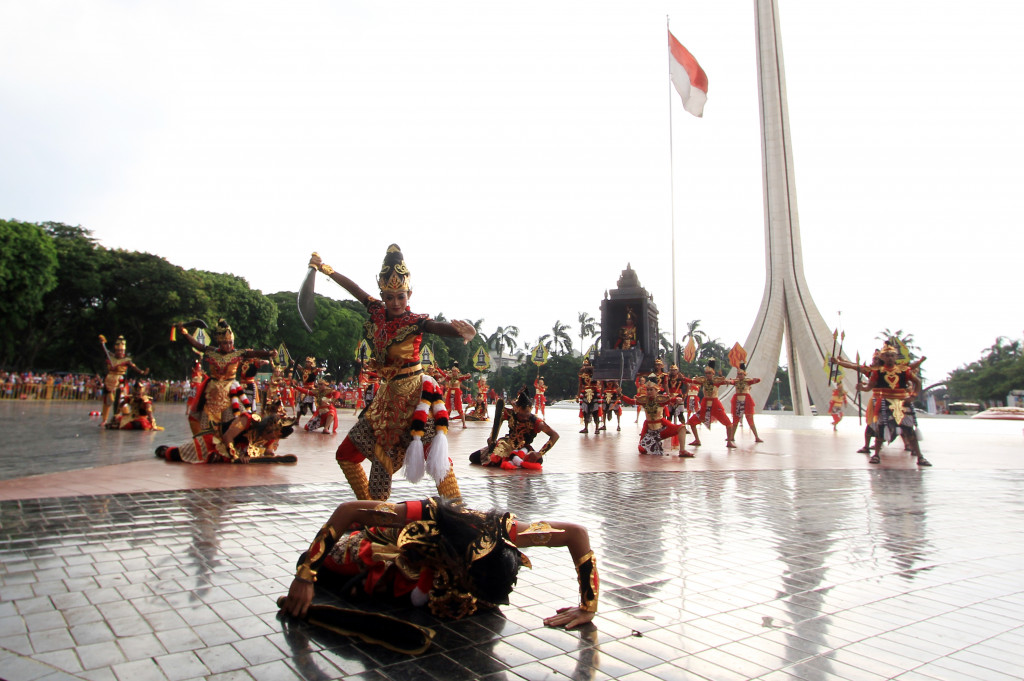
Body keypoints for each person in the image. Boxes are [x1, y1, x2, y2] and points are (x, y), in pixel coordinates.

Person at [279, 496, 597, 631]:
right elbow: (348, 510)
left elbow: (576, 534)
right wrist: (305, 576)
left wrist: (587, 606)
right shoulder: (429, 513)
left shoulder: (507, 530)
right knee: (338, 567)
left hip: (437, 569)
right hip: (390, 550)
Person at [308, 246, 475, 501]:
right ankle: (372, 513)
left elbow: (438, 327)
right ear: (382, 295)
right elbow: (353, 289)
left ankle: (457, 511)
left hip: (414, 398)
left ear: (409, 294)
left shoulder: (416, 321)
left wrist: (464, 332)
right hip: (386, 401)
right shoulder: (376, 311)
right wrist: (325, 269)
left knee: (436, 458)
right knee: (346, 455)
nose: (395, 303)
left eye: (400, 296)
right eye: (389, 297)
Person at [175, 319, 277, 435]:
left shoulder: (237, 353)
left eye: (230, 342)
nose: (228, 345)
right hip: (213, 391)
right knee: (207, 422)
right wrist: (184, 333)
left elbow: (253, 353)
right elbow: (197, 345)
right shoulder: (211, 351)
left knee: (240, 418)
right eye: (225, 343)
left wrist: (268, 353)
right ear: (219, 342)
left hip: (231, 390)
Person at [857, 344, 931, 466]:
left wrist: (913, 396)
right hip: (884, 401)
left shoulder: (904, 370)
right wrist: (862, 388)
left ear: (895, 357)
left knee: (909, 429)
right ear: (882, 357)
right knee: (881, 428)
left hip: (901, 402)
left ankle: (920, 456)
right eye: (887, 356)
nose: (889, 358)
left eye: (892, 355)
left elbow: (917, 382)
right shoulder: (877, 372)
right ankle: (876, 455)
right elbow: (869, 387)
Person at [156, 410, 297, 464]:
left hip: (230, 456)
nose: (271, 437)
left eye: (275, 435)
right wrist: (237, 456)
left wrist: (271, 457)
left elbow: (268, 451)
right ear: (268, 426)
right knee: (178, 455)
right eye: (271, 432)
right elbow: (228, 436)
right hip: (215, 441)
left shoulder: (272, 437)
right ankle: (165, 451)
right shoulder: (248, 420)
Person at [469, 391, 558, 469]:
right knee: (474, 458)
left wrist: (539, 453)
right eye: (523, 414)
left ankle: (512, 461)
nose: (526, 417)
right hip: (506, 444)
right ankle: (509, 461)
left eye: (528, 413)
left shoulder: (536, 421)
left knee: (538, 460)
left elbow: (555, 435)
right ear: (517, 409)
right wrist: (492, 437)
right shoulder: (510, 414)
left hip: (523, 447)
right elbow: (497, 422)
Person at [620, 375, 688, 456]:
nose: (648, 392)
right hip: (650, 432)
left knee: (682, 428)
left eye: (651, 390)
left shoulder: (661, 400)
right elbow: (631, 401)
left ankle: (682, 451)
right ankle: (654, 444)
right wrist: (620, 395)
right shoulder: (643, 400)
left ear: (656, 390)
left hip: (661, 430)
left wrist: (676, 399)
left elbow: (670, 400)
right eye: (647, 390)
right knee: (642, 450)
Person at [98, 335, 149, 425]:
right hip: (109, 380)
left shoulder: (127, 360)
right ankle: (104, 419)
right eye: (118, 350)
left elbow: (135, 368)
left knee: (121, 400)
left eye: (121, 350)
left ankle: (124, 416)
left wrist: (142, 372)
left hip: (120, 381)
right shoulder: (110, 357)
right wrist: (102, 343)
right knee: (107, 401)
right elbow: (105, 350)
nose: (120, 352)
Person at [686, 360, 733, 447]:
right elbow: (692, 381)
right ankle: (697, 440)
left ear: (713, 374)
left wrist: (731, 382)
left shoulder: (717, 382)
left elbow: (728, 382)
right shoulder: (703, 381)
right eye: (706, 373)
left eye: (709, 373)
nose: (708, 375)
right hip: (705, 406)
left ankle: (729, 441)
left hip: (716, 406)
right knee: (692, 422)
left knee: (729, 424)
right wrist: (683, 379)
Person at [726, 363, 764, 444]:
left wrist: (750, 379)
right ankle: (732, 436)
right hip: (737, 401)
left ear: (744, 374)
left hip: (746, 401)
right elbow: (730, 382)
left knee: (750, 420)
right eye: (738, 374)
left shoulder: (748, 381)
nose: (739, 376)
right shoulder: (735, 382)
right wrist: (730, 380)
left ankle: (757, 437)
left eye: (741, 374)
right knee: (735, 420)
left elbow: (758, 380)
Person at [444, 362, 471, 429]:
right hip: (450, 393)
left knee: (459, 409)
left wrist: (468, 375)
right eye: (452, 371)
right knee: (448, 409)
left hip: (457, 393)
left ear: (457, 372)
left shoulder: (459, 378)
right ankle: (445, 424)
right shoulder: (449, 378)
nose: (453, 373)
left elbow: (467, 377)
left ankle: (464, 424)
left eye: (455, 371)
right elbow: (443, 374)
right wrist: (438, 368)